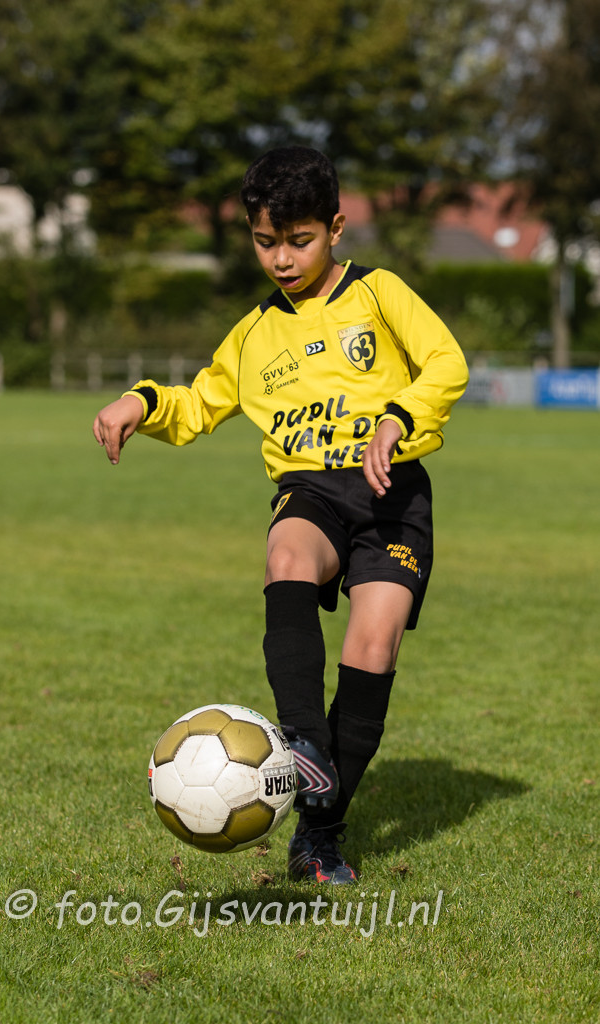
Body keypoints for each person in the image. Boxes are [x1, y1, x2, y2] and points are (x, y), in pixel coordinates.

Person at [93, 146, 469, 885]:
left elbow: (446, 363)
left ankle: (319, 837)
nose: (282, 259)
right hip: (312, 490)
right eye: (266, 242)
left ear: (335, 228)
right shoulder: (255, 332)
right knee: (287, 555)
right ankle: (301, 737)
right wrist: (141, 402)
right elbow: (199, 402)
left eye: (299, 240)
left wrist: (398, 419)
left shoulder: (379, 293)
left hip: (393, 496)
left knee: (374, 645)